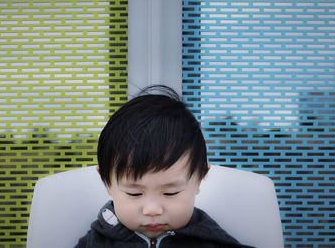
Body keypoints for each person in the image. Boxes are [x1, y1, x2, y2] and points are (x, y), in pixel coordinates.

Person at [76, 85, 254, 248]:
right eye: (134, 193)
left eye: (171, 193)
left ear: (199, 178)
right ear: (106, 182)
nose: (152, 210)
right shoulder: (96, 243)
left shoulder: (213, 242)